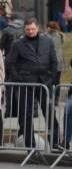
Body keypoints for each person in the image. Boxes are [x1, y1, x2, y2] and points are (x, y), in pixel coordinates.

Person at [4, 18, 60, 150]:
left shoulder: (47, 41)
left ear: (38, 28)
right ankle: (30, 145)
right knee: (26, 115)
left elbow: (54, 60)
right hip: (26, 83)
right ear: (24, 29)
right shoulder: (17, 44)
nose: (30, 32)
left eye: (33, 29)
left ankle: (55, 142)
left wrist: (52, 78)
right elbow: (10, 63)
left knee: (50, 113)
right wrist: (18, 78)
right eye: (28, 29)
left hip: (45, 82)